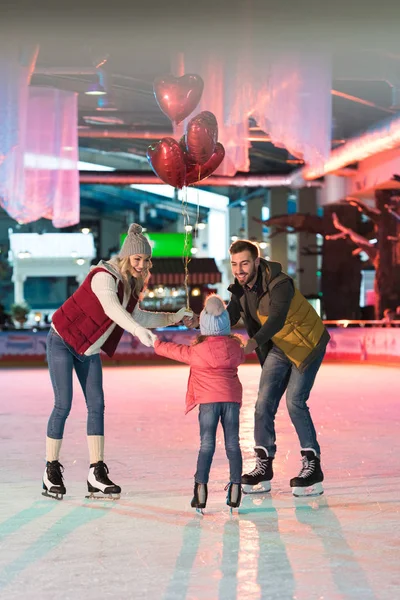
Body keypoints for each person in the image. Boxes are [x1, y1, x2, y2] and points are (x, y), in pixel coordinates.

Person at [43, 223, 187, 500]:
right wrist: (136, 330)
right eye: (137, 259)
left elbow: (138, 315)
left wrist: (174, 317)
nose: (142, 264)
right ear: (125, 258)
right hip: (62, 340)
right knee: (63, 404)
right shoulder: (103, 276)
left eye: (146, 260)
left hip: (89, 349)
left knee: (96, 405)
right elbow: (112, 309)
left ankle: (96, 472)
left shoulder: (130, 287)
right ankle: (51, 470)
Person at [184, 239, 330, 497]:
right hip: (280, 347)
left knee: (295, 401)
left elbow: (276, 320)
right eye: (234, 265)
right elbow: (227, 318)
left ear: (257, 262)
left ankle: (312, 465)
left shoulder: (280, 283)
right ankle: (264, 465)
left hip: (308, 343)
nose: (239, 270)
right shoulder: (240, 290)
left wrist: (250, 344)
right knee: (263, 403)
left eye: (244, 263)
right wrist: (199, 322)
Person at [153, 294, 245, 512]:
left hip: (208, 404)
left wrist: (156, 343)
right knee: (233, 444)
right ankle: (236, 489)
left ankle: (200, 491)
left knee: (207, 445)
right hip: (231, 400)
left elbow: (173, 350)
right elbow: (241, 354)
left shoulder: (197, 351)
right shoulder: (235, 348)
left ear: (204, 326)